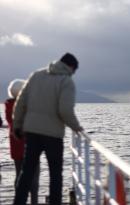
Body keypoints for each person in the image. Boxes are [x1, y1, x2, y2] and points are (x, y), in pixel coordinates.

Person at [13, 53, 83, 205]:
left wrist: (17, 125)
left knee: (26, 173)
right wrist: (77, 127)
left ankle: (18, 202)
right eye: (75, 70)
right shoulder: (66, 81)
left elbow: (20, 102)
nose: (74, 73)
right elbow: (65, 110)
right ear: (71, 67)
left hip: (32, 132)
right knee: (55, 176)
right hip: (53, 135)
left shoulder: (36, 76)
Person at [5, 79, 40, 205]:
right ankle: (34, 202)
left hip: (16, 147)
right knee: (34, 178)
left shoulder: (8, 106)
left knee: (19, 176)